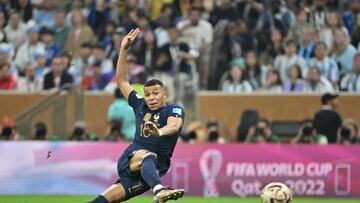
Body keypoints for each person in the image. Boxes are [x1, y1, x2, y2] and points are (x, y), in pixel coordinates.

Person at [87, 29, 185, 203]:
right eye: (148, 94)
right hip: (132, 159)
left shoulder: (173, 110)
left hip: (152, 172)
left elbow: (174, 126)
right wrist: (124, 49)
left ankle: (157, 189)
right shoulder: (140, 105)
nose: (151, 98)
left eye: (156, 93)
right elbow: (122, 81)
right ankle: (159, 190)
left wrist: (159, 132)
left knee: (102, 201)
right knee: (149, 156)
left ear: (165, 94)